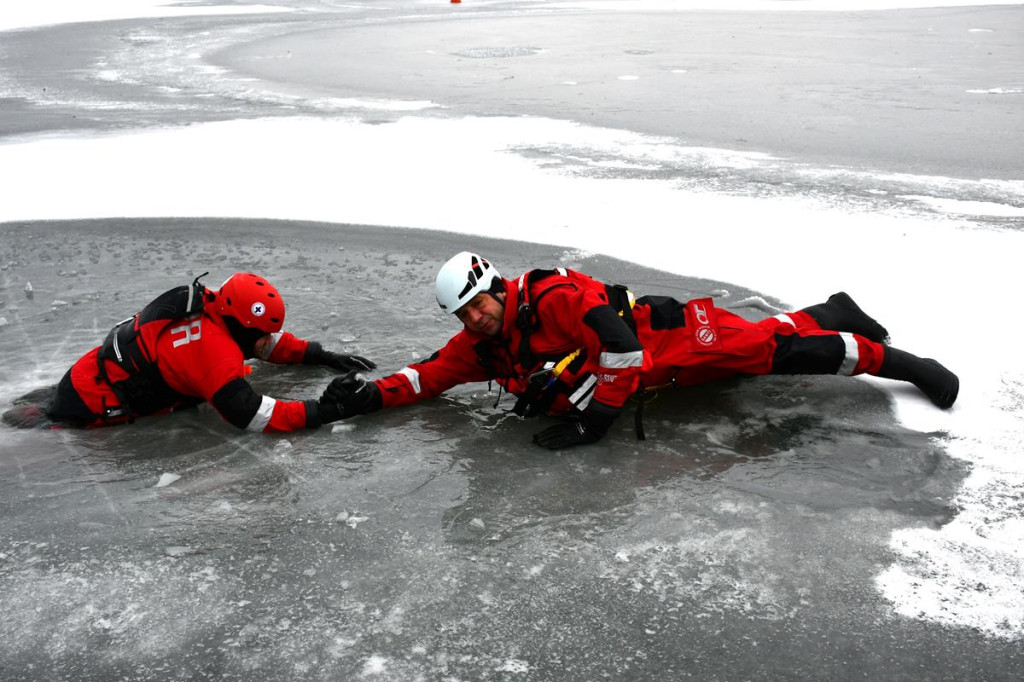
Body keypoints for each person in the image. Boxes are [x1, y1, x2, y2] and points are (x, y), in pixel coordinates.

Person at [321, 252, 959, 449]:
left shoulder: (553, 298)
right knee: (761, 348)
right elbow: (429, 376)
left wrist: (595, 422)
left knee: (772, 352)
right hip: (651, 372)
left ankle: (900, 363)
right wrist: (367, 396)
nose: (475, 318)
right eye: (464, 314)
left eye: (479, 304)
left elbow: (621, 347)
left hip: (665, 336)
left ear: (496, 286)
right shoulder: (481, 344)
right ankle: (833, 311)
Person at [3, 273, 375, 432]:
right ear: (242, 328)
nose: (267, 343)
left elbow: (264, 342)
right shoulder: (214, 353)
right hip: (90, 405)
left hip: (88, 372)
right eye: (261, 335)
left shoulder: (212, 304)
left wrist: (320, 354)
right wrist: (326, 410)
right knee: (31, 423)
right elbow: (252, 414)